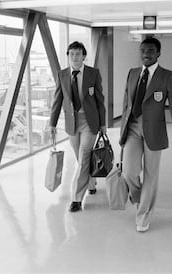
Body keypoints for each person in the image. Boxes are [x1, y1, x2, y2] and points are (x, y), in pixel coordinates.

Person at [119, 37, 172, 232]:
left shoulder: (167, 76)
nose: (146, 54)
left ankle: (143, 216)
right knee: (129, 172)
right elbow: (126, 104)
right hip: (133, 128)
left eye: (150, 50)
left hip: (154, 131)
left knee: (151, 175)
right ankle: (139, 199)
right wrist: (122, 133)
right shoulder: (132, 73)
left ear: (158, 53)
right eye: (142, 50)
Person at [50, 41, 106, 212]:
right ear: (68, 56)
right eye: (71, 54)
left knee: (83, 158)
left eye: (78, 53)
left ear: (84, 56)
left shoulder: (93, 73)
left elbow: (99, 100)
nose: (74, 57)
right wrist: (52, 122)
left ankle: (76, 198)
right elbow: (58, 99)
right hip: (72, 124)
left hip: (90, 122)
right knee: (80, 158)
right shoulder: (62, 74)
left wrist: (103, 123)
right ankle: (91, 183)